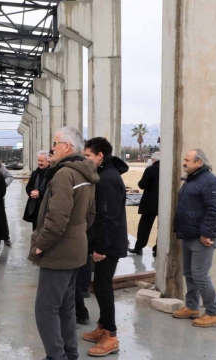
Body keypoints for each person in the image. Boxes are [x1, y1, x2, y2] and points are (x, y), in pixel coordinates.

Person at [28, 127, 98, 360]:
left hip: (58, 252)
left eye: (55, 144)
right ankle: (69, 353)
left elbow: (57, 218)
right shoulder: (84, 173)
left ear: (67, 147)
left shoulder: (64, 175)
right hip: (75, 250)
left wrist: (41, 244)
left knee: (46, 309)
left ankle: (56, 356)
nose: (52, 149)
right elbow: (90, 215)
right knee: (67, 306)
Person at [81, 137, 129, 357]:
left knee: (102, 287)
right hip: (106, 241)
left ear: (100, 156)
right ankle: (102, 327)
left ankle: (110, 336)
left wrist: (100, 248)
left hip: (108, 244)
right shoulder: (105, 173)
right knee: (100, 285)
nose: (85, 159)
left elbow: (108, 217)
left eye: (88, 155)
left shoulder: (108, 178)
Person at [171, 149, 216, 328]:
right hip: (189, 235)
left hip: (202, 238)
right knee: (189, 273)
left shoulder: (211, 182)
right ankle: (192, 307)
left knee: (200, 275)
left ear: (199, 163)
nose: (184, 162)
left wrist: (206, 233)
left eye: (187, 160)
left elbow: (214, 210)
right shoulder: (192, 179)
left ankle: (214, 312)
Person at [129, 151, 160, 256]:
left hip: (149, 204)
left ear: (154, 160)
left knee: (144, 227)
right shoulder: (168, 169)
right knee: (163, 227)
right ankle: (157, 249)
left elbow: (142, 185)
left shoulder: (150, 169)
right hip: (163, 203)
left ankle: (139, 247)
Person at [23, 150, 49, 232]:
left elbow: (53, 190)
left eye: (42, 161)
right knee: (35, 230)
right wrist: (31, 192)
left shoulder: (51, 174)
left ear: (48, 161)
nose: (39, 163)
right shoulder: (35, 173)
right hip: (34, 208)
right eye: (38, 160)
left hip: (46, 208)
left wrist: (40, 194)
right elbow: (28, 187)